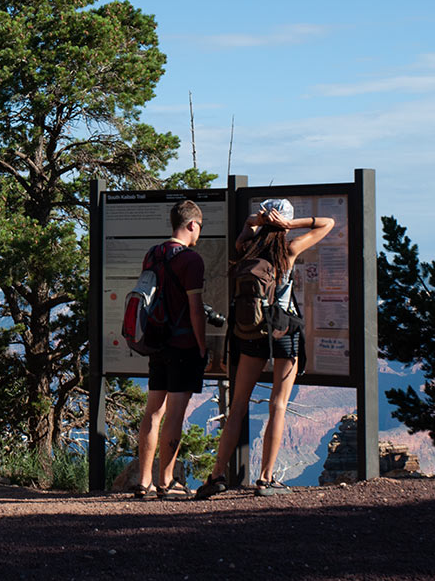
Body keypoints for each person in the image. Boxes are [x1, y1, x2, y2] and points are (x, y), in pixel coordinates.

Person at [196, 198, 334, 499]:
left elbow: (245, 229)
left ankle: (217, 475)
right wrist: (289, 225)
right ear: (283, 223)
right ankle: (266, 479)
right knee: (278, 405)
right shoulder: (289, 251)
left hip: (251, 333)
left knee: (238, 407)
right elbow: (328, 223)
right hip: (283, 332)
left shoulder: (246, 250)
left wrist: (257, 221)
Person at [131, 199, 208, 500]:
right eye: (199, 227)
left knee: (153, 411)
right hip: (183, 344)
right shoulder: (192, 260)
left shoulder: (154, 254)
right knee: (175, 413)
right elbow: (196, 309)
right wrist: (202, 346)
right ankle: (167, 481)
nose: (199, 232)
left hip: (156, 342)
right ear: (191, 225)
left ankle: (143, 480)